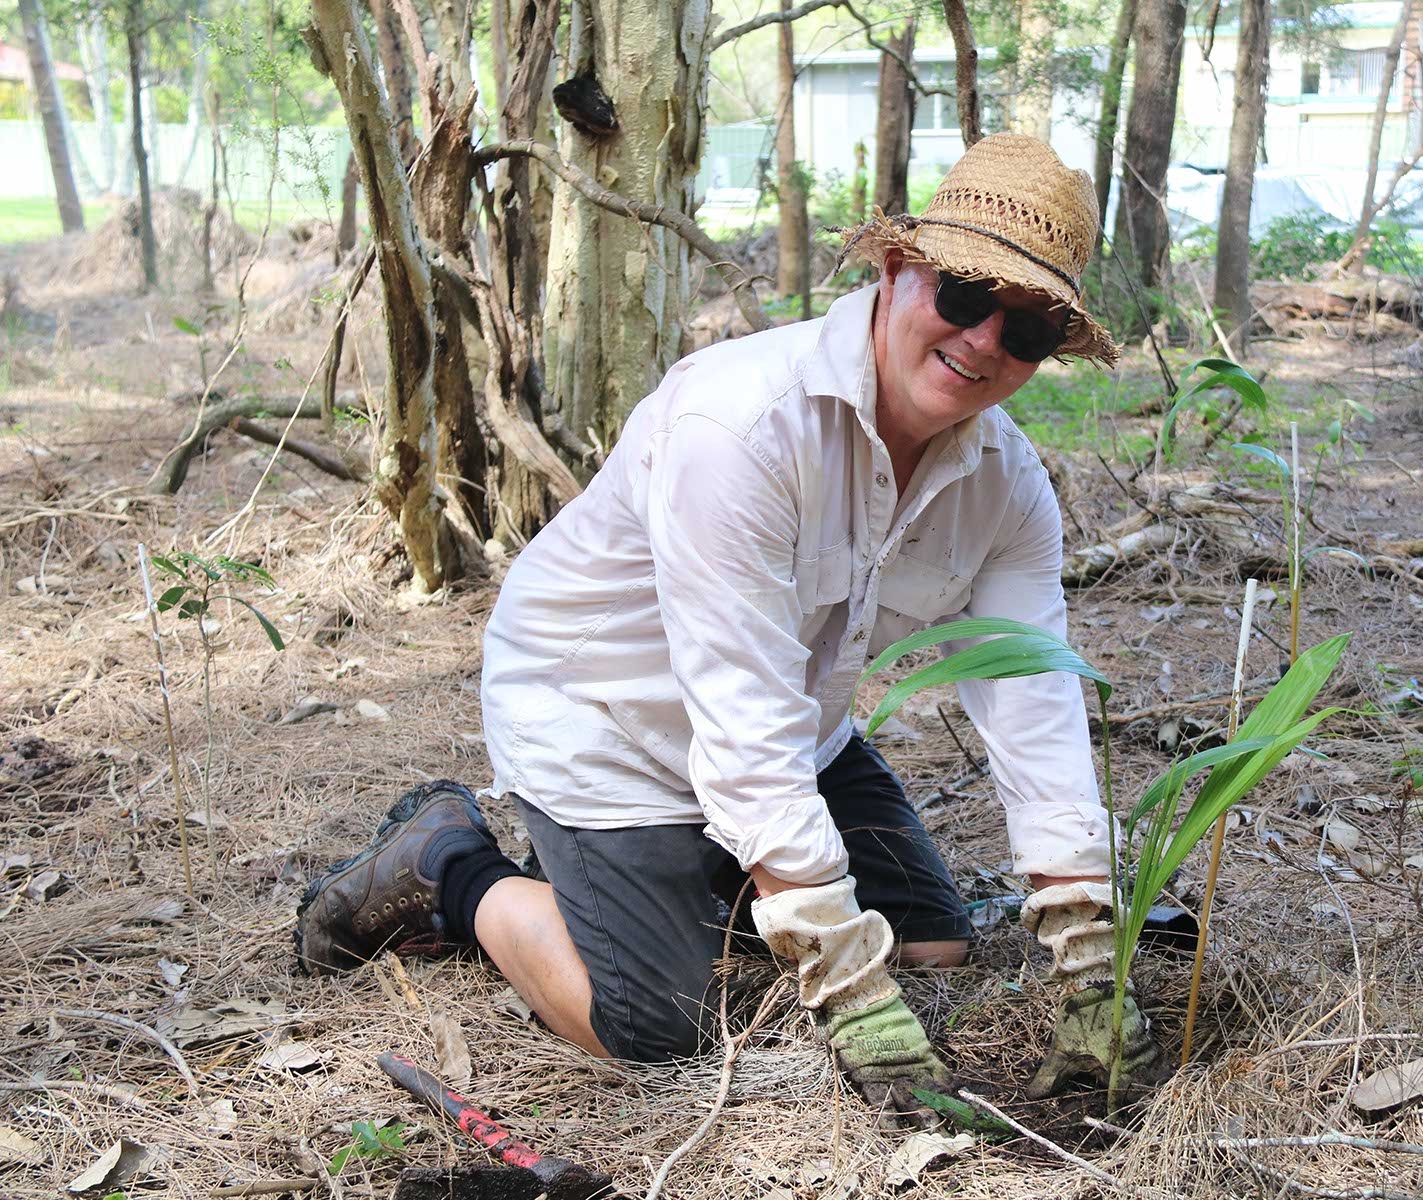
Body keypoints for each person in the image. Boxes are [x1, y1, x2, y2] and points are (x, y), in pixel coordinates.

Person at [295, 133, 1163, 1115]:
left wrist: (1090, 952)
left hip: (786, 721)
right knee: (658, 1028)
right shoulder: (740, 426)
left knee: (930, 946)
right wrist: (842, 979)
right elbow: (736, 722)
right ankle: (451, 864)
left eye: (1028, 331)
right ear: (895, 270)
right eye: (963, 297)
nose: (982, 343)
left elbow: (1033, 707)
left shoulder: (1007, 488)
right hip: (607, 716)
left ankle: (688, 882)